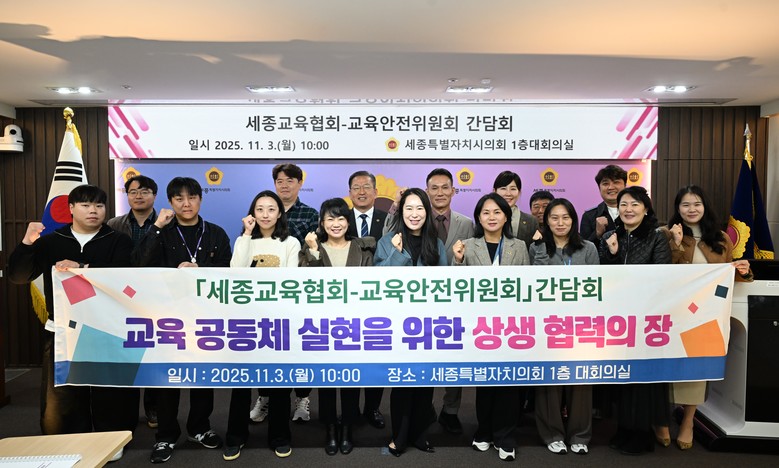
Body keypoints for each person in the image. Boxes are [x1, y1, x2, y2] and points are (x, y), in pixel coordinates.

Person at [8, 185, 138, 459]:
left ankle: (111, 440)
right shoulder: (51, 241)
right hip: (63, 330)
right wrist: (27, 243)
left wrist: (84, 269)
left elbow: (127, 276)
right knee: (64, 394)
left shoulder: (118, 240)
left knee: (109, 390)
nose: (93, 211)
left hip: (107, 328)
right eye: (85, 205)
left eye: (99, 206)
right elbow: (18, 276)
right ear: (70, 209)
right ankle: (68, 442)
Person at [133, 177, 232, 464]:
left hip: (204, 318)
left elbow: (227, 270)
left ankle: (199, 428)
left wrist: (200, 268)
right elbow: (138, 264)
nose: (186, 204)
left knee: (203, 378)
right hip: (168, 319)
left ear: (201, 199)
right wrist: (156, 227)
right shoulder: (162, 232)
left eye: (192, 197)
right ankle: (165, 435)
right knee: (168, 380)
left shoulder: (215, 233)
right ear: (170, 202)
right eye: (179, 198)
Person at [658, 185, 752, 450]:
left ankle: (688, 421)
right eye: (685, 205)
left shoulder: (721, 238)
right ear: (677, 208)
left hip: (705, 315)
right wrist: (676, 245)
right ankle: (661, 419)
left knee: (698, 369)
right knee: (665, 366)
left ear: (704, 206)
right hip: (673, 313)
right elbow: (660, 273)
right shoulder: (665, 233)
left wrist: (743, 271)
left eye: (696, 204)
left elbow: (727, 276)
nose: (691, 209)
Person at [452, 193, 528, 462]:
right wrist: (457, 260)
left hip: (511, 325)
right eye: (486, 212)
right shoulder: (467, 246)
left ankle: (505, 436)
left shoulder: (519, 246)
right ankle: (484, 431)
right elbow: (456, 288)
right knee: (485, 381)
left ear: (506, 216)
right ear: (478, 217)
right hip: (480, 326)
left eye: (497, 212)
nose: (492, 217)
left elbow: (527, 286)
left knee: (508, 383)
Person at [224, 190, 300, 460]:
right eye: (259, 209)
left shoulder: (290, 242)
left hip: (278, 320)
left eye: (271, 209)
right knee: (241, 382)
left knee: (279, 382)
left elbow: (291, 281)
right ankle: (235, 437)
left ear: (280, 213)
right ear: (252, 213)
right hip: (246, 320)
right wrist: (246, 235)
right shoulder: (244, 240)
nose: (265, 214)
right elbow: (235, 272)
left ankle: (280, 436)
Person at [599, 185, 671, 455]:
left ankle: (642, 434)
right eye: (624, 205)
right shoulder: (610, 236)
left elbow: (662, 276)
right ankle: (624, 429)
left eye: (635, 204)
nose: (628, 210)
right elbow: (603, 278)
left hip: (646, 318)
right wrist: (613, 254)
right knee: (622, 376)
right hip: (617, 319)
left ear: (646, 209)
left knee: (642, 378)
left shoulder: (657, 237)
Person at [300, 198, 376, 455]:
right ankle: (330, 428)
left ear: (348, 221)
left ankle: (348, 428)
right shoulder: (312, 248)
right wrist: (313, 252)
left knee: (351, 379)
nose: (336, 224)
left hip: (354, 324)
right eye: (330, 219)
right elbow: (306, 285)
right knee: (327, 380)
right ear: (322, 223)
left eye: (341, 218)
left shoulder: (363, 248)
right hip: (322, 325)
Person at [375, 188, 446, 456]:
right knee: (403, 382)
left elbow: (445, 285)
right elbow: (377, 279)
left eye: (419, 208)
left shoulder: (436, 243)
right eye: (408, 208)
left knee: (425, 383)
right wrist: (396, 254)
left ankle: (419, 434)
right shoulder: (387, 241)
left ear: (427, 212)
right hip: (398, 324)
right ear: (400, 211)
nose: (414, 214)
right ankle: (400, 436)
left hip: (428, 325)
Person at [530, 198, 598, 456]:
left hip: (580, 324)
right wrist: (541, 250)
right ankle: (552, 434)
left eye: (565, 217)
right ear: (546, 221)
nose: (560, 223)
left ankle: (580, 435)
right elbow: (533, 283)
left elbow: (596, 286)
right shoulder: (536, 247)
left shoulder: (588, 248)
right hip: (547, 323)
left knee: (581, 380)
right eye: (554, 218)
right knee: (549, 381)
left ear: (573, 220)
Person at [107, 174, 160, 429]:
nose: (138, 196)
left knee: (155, 352)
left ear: (154, 196)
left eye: (145, 191)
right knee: (126, 353)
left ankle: (153, 407)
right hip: (122, 298)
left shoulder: (166, 223)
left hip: (155, 297)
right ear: (126, 195)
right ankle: (126, 411)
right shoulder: (113, 224)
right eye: (133, 191)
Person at [272, 163, 317, 421]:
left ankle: (302, 398)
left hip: (300, 291)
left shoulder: (310, 214)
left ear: (300, 184)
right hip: (270, 292)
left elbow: (315, 251)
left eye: (290, 180)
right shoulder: (265, 210)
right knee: (270, 345)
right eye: (280, 181)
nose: (285, 185)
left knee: (301, 345)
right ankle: (265, 397)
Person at [345, 170, 387, 429]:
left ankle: (372, 408)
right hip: (346, 301)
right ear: (349, 192)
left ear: (375, 191)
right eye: (356, 187)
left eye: (366, 187)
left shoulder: (388, 219)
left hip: (379, 300)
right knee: (349, 357)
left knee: (376, 356)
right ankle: (349, 411)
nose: (361, 192)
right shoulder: (340, 218)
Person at [580, 165, 627, 243]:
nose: (611, 187)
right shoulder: (589, 216)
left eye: (616, 182)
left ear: (625, 186)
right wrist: (597, 234)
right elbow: (584, 249)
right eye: (605, 184)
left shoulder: (636, 212)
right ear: (599, 188)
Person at [492, 170, 539, 248]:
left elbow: (535, 250)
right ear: (494, 191)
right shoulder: (486, 218)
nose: (508, 193)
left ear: (519, 192)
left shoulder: (531, 221)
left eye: (513, 189)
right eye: (503, 188)